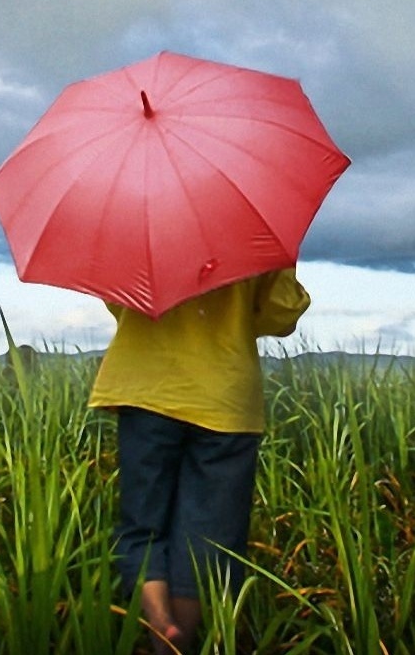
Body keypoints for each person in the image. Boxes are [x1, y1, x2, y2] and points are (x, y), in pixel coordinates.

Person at [88, 267, 311, 654]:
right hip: (224, 397)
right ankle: (180, 643)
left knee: (142, 524)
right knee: (209, 536)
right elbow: (280, 317)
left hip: (146, 388)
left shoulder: (142, 215)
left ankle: (159, 622)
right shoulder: (259, 229)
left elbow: (119, 301)